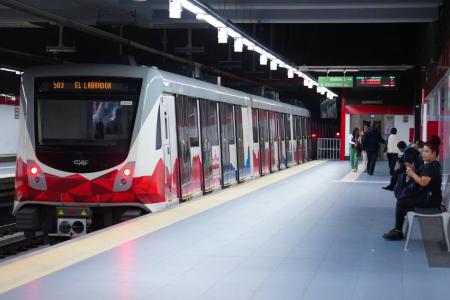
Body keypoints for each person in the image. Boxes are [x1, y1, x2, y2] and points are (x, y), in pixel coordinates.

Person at [383, 136, 442, 240]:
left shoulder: (430, 167)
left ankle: (398, 231)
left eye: (427, 152)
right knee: (403, 201)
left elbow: (423, 182)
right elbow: (423, 178)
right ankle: (398, 228)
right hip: (432, 198)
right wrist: (414, 170)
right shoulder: (433, 164)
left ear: (434, 153)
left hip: (431, 201)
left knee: (401, 202)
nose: (423, 153)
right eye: (423, 151)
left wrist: (411, 173)